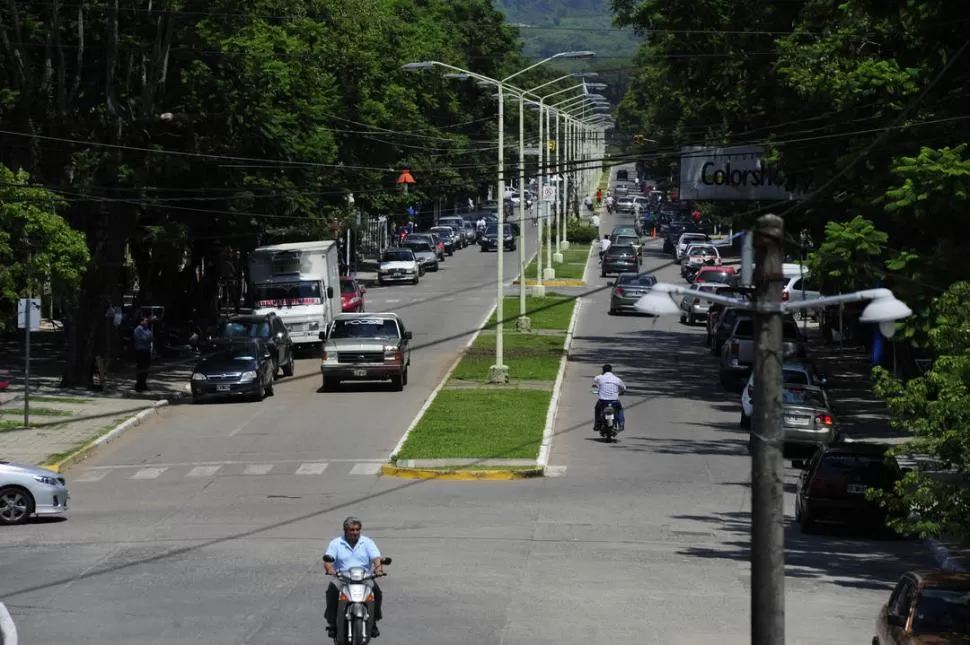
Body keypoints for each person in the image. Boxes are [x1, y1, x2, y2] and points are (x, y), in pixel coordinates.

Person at [324, 517, 385, 638]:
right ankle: (332, 624)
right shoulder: (336, 543)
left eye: (357, 529)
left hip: (364, 577)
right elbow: (327, 560)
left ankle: (373, 622)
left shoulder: (367, 542)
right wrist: (330, 569)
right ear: (345, 530)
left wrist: (378, 569)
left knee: (377, 592)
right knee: (331, 591)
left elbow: (376, 558)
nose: (355, 532)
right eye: (352, 530)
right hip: (342, 577)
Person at [593, 364, 626, 430]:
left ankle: (597, 423)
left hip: (603, 401)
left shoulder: (599, 377)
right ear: (611, 370)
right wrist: (621, 392)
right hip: (614, 401)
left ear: (603, 370)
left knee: (597, 409)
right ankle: (621, 424)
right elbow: (624, 388)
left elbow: (595, 381)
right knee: (620, 410)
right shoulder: (617, 379)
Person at [132, 315, 153, 392]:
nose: (147, 322)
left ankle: (143, 384)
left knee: (146, 368)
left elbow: (151, 337)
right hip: (140, 350)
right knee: (141, 368)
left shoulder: (146, 329)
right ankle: (139, 385)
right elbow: (146, 339)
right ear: (141, 321)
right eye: (145, 320)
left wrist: (149, 338)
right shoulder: (138, 329)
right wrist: (149, 338)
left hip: (146, 350)